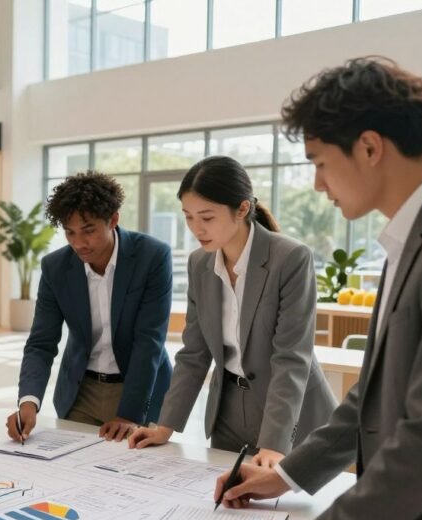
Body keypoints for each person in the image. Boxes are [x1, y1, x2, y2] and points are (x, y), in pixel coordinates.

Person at [216, 57, 422, 520]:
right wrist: (287, 474)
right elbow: (375, 393)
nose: (317, 184)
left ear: (369, 148)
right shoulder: (419, 232)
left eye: (320, 162)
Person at [129, 156, 337, 465]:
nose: (196, 228)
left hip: (289, 416)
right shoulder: (199, 263)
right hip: (227, 414)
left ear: (241, 209)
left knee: (284, 497)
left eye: (207, 217)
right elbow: (194, 353)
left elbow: (292, 358)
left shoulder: (290, 258)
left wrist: (274, 444)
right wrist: (164, 425)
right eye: (188, 217)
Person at [8, 171, 173, 443]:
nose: (79, 243)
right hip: (80, 392)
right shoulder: (55, 267)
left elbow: (149, 341)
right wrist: (28, 401)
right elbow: (41, 342)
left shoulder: (152, 257)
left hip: (139, 388)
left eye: (88, 230)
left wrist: (129, 414)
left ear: (113, 220)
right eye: (69, 232)